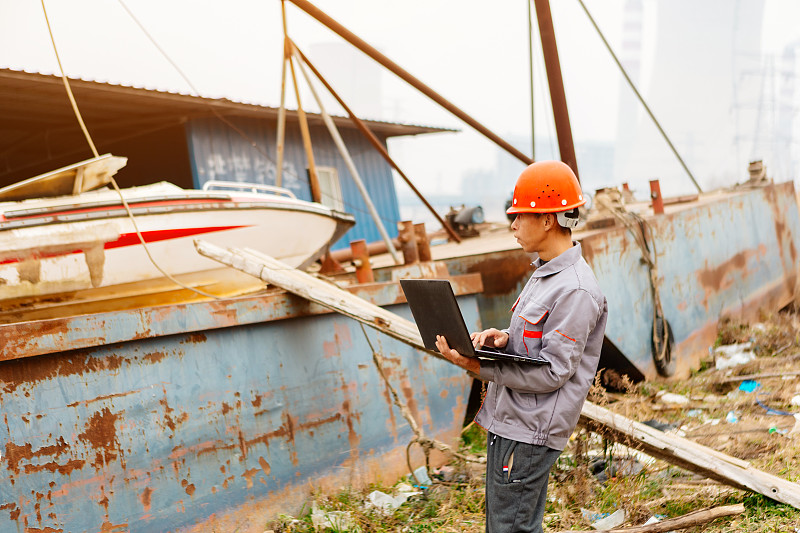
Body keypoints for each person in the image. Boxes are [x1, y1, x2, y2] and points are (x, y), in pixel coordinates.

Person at [435, 160, 608, 533]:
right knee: (506, 525)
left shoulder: (575, 289)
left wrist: (476, 366)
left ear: (547, 219)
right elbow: (537, 344)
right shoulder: (546, 273)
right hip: (513, 422)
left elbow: (552, 372)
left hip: (529, 432)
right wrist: (503, 339)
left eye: (518, 216)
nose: (512, 225)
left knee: (511, 529)